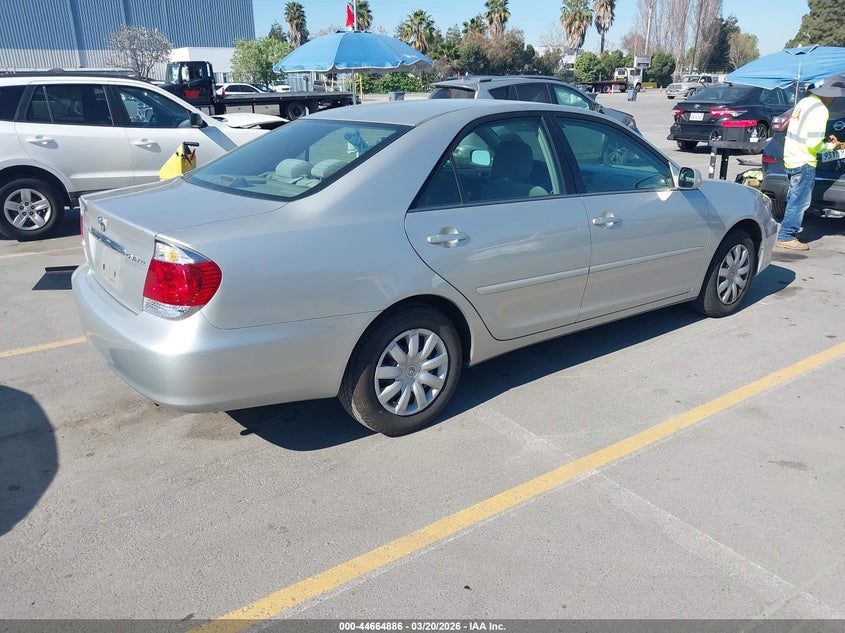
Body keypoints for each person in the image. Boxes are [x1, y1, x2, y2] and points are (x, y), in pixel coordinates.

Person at [776, 73, 845, 250]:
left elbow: (804, 133)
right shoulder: (821, 110)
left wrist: (825, 141)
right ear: (830, 95)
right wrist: (833, 146)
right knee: (799, 202)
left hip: (792, 158)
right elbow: (814, 144)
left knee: (793, 198)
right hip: (805, 161)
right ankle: (786, 236)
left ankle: (788, 230)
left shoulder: (805, 102)